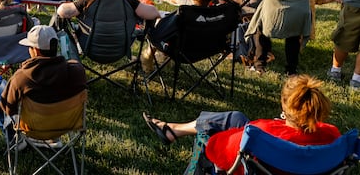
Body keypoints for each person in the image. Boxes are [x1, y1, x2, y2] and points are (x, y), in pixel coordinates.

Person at [142, 75, 340, 174]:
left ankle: (176, 136)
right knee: (236, 117)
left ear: (284, 104)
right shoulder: (333, 136)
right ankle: (174, 131)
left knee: (205, 137)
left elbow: (215, 150)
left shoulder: (261, 133)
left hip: (263, 163)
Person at [0, 24, 87, 139]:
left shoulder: (21, 78)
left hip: (31, 129)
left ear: (35, 51)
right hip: (66, 125)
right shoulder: (77, 72)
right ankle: (54, 140)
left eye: (29, 47)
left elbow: (8, 109)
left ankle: (15, 140)